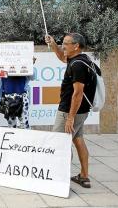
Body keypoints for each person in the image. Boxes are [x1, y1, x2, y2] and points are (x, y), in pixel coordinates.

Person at [45, 33, 99, 189]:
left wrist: (70, 118)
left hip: (70, 111)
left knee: (60, 143)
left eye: (66, 43)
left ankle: (59, 181)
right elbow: (62, 57)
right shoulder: (81, 60)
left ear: (76, 46)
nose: (63, 46)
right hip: (81, 111)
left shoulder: (77, 65)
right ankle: (84, 176)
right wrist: (53, 44)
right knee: (78, 139)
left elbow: (78, 93)